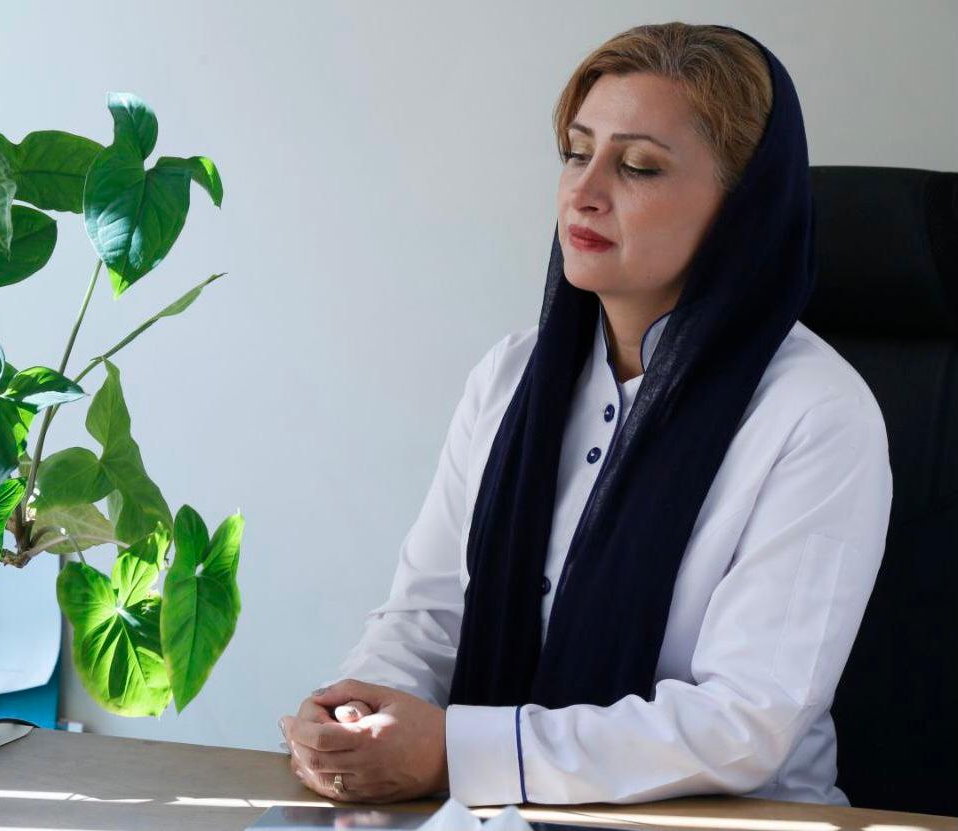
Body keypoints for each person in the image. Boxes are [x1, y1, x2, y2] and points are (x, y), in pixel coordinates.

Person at [279, 22, 893, 808]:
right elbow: (427, 614)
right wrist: (360, 710)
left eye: (637, 166)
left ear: (741, 208)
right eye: (576, 152)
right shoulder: (510, 375)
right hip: (493, 813)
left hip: (725, 823)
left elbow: (744, 722)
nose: (584, 190)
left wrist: (456, 754)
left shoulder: (815, 414)